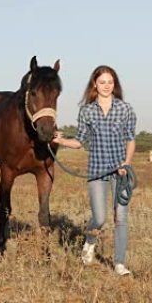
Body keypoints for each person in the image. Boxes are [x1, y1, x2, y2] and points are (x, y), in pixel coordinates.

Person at [53, 65, 136, 276]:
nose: (106, 86)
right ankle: (90, 241)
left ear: (114, 84)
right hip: (97, 171)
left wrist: (126, 163)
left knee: (121, 218)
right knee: (99, 218)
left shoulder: (125, 108)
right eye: (102, 82)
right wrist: (61, 140)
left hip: (121, 172)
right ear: (94, 85)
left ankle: (119, 263)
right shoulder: (87, 111)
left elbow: (130, 140)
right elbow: (80, 141)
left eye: (110, 82)